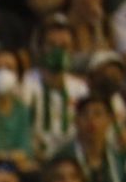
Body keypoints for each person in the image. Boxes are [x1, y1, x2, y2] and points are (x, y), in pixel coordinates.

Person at [24, 14, 87, 160]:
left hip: (73, 160)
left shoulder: (81, 89)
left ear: (72, 50)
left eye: (64, 46)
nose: (58, 51)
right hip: (34, 158)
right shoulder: (25, 85)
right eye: (52, 45)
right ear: (40, 48)